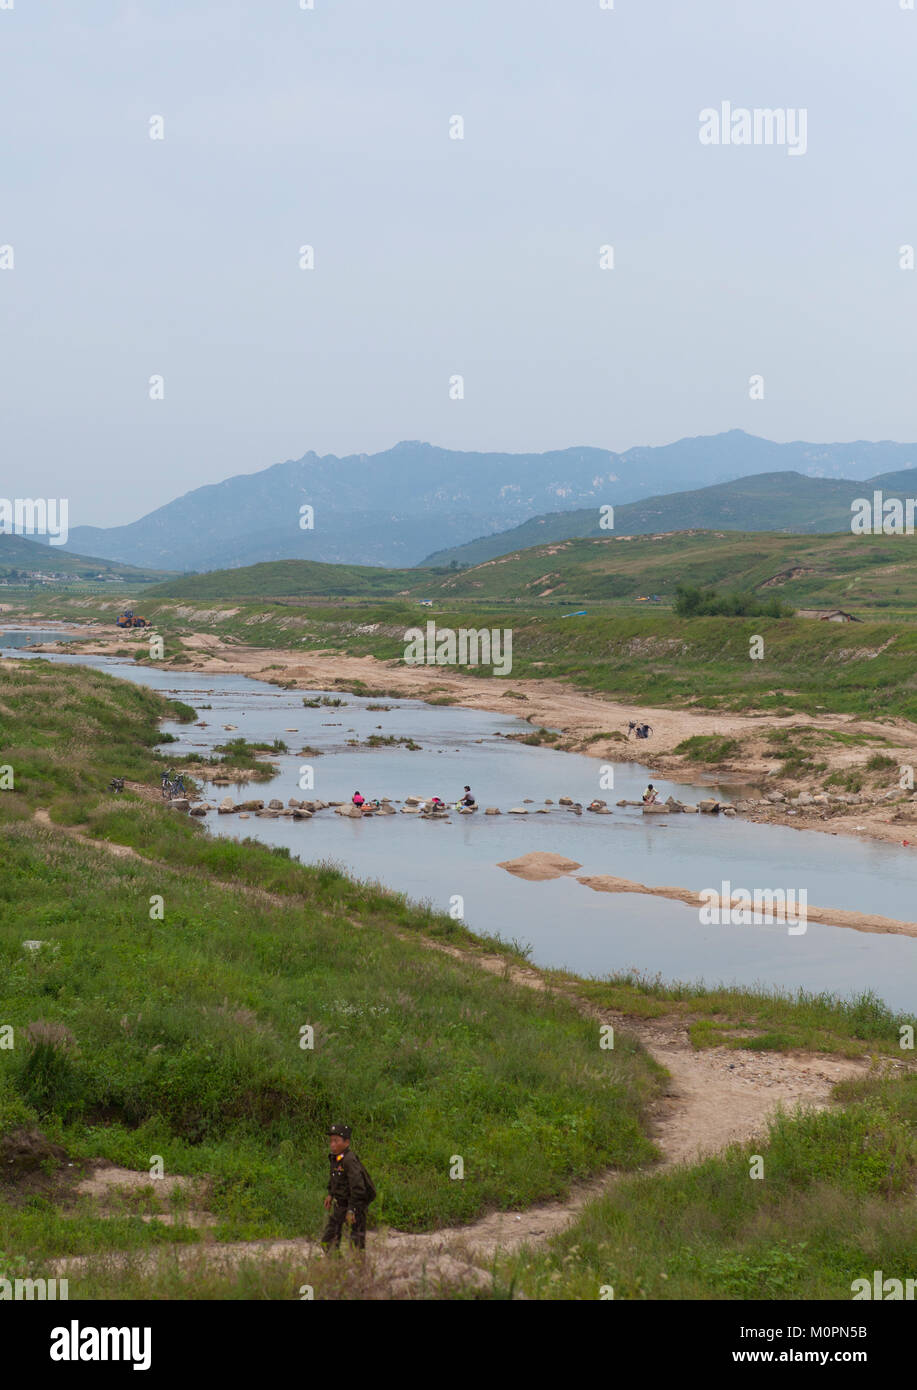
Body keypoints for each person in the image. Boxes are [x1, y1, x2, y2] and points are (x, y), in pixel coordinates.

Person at [321, 1123, 376, 1252]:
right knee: (328, 1241)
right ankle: (338, 1268)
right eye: (331, 1141)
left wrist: (352, 1210)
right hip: (340, 1205)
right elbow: (336, 1179)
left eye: (336, 1141)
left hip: (355, 1206)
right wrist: (330, 1194)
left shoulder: (349, 1160)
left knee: (357, 1246)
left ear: (346, 1142)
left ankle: (360, 1271)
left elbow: (358, 1187)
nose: (332, 1144)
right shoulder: (336, 1158)